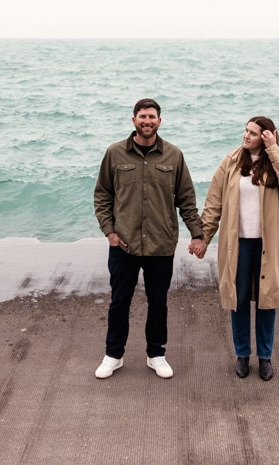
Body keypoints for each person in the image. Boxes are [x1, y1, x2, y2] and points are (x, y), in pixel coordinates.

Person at [93, 98, 203, 379]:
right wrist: (110, 231)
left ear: (159, 121)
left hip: (160, 245)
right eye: (142, 116)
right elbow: (103, 195)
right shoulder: (114, 153)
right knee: (120, 302)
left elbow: (187, 200)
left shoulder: (174, 156)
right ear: (134, 121)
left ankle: (156, 354)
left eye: (152, 116)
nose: (147, 121)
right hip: (124, 245)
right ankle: (113, 355)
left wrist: (198, 234)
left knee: (158, 303)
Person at [189, 116, 279, 381]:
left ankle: (264, 357)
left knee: (266, 301)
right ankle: (242, 355)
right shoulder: (230, 162)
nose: (245, 136)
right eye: (245, 130)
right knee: (237, 301)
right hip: (237, 244)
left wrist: (273, 149)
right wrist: (203, 238)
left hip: (268, 244)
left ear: (266, 136)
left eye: (252, 132)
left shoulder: (276, 162)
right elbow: (213, 203)